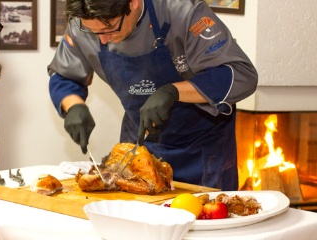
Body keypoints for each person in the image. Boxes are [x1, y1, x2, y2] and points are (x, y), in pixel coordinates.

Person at [47, 0, 258, 191]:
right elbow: (65, 76)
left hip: (202, 152)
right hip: (138, 149)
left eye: (109, 29)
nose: (102, 40)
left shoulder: (183, 11)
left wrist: (173, 91)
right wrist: (73, 105)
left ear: (133, 3)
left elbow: (241, 74)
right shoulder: (85, 19)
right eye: (93, 33)